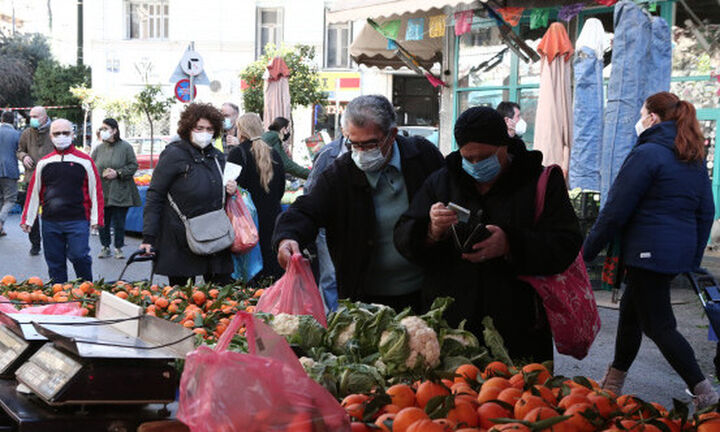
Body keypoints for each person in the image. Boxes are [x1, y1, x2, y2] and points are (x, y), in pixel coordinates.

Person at [394, 106, 582, 362]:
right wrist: (430, 231)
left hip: (518, 330)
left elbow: (566, 243)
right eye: (468, 158)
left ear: (505, 145)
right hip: (451, 329)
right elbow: (403, 235)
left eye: (485, 157)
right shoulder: (442, 181)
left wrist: (511, 244)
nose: (476, 164)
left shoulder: (540, 181)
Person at [583, 92, 718, 409]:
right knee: (631, 316)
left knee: (659, 325)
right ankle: (612, 383)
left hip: (647, 251)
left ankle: (706, 394)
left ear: (653, 118)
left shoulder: (647, 154)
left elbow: (614, 211)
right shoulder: (691, 156)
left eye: (642, 113)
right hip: (669, 254)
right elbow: (706, 212)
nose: (639, 120)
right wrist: (692, 258)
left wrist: (583, 255)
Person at [273, 95, 444, 312]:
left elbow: (450, 190)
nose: (361, 153)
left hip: (425, 292)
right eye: (354, 144)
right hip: (366, 298)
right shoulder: (339, 174)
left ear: (391, 134)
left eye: (370, 144)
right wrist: (287, 236)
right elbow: (307, 208)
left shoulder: (422, 156)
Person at [140, 103, 237, 286]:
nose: (204, 133)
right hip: (179, 238)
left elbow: (220, 190)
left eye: (209, 129)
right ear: (188, 128)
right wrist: (149, 237)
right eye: (199, 128)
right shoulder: (174, 154)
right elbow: (155, 195)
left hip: (214, 235)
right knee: (182, 301)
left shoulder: (217, 157)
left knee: (222, 296)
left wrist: (231, 188)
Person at [20, 119, 104, 283]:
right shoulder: (44, 163)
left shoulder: (85, 161)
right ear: (51, 137)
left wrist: (96, 218)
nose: (61, 136)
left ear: (73, 134)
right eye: (57, 133)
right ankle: (59, 296)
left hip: (78, 220)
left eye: (65, 133)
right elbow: (33, 193)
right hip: (50, 221)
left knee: (79, 256)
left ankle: (86, 290)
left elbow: (96, 191)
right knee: (55, 262)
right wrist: (28, 219)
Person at [227, 113, 285, 281]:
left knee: (249, 273)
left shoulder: (238, 153)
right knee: (271, 273)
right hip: (273, 221)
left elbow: (229, 187)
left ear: (241, 131)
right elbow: (280, 188)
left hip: (246, 223)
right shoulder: (274, 154)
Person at [304, 119, 349, 312]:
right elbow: (310, 190)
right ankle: (332, 318)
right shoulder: (328, 154)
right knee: (330, 275)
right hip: (328, 226)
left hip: (356, 225)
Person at [91, 118, 141, 260]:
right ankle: (105, 247)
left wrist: (118, 173)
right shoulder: (99, 148)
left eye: (106, 129)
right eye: (102, 129)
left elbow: (133, 165)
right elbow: (91, 166)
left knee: (119, 221)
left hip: (121, 190)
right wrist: (100, 174)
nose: (103, 132)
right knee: (103, 221)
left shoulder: (125, 147)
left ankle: (118, 247)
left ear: (114, 130)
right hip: (103, 191)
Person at [17, 106, 54, 255]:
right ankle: (35, 243)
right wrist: (23, 156)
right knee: (31, 213)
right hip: (31, 178)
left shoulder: (54, 132)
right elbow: (20, 150)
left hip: (51, 179)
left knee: (50, 213)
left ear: (44, 117)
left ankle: (52, 242)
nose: (32, 119)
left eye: (36, 116)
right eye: (31, 116)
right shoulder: (26, 133)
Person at [0, 111, 20, 237]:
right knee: (11, 199)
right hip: (10, 170)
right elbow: (20, 151)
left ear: (2, 120)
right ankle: (0, 221)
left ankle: (1, 229)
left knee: (0, 199)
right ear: (13, 121)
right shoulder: (16, 134)